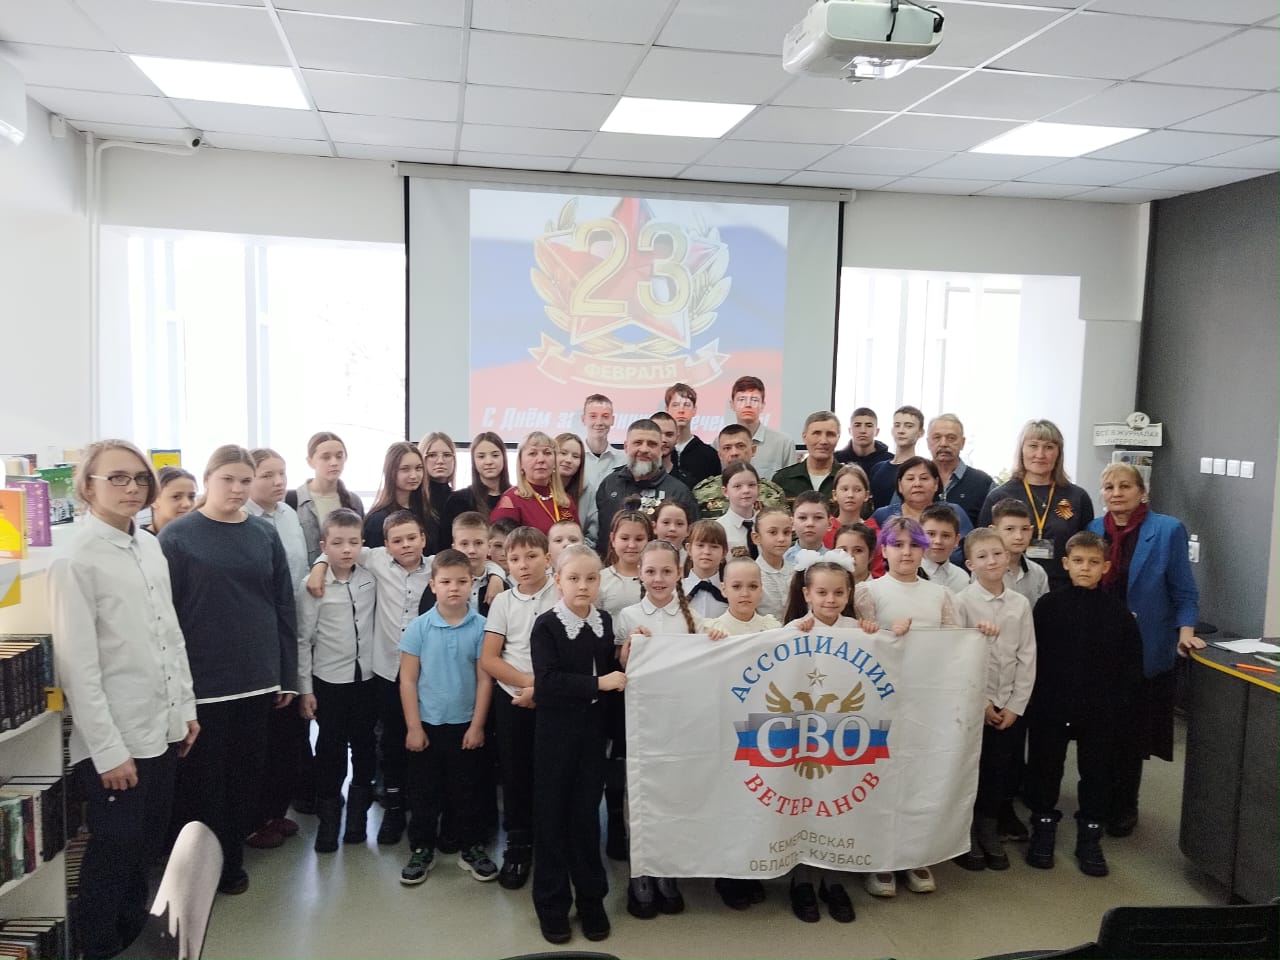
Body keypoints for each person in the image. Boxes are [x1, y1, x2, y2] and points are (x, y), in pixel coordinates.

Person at [49, 440, 199, 960]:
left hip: (162, 725)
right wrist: (108, 750)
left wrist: (185, 709)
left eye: (139, 478)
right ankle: (97, 948)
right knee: (113, 856)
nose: (131, 487)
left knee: (145, 851)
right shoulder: (75, 558)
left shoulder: (150, 545)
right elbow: (77, 666)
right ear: (87, 486)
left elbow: (170, 636)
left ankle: (134, 941)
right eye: (116, 477)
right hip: (116, 740)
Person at [160, 444, 297, 896]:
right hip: (203, 684)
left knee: (245, 778)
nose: (237, 489)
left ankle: (231, 860)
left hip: (257, 680)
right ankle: (200, 870)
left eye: (244, 481)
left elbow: (283, 604)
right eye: (228, 480)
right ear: (208, 479)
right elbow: (165, 617)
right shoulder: (178, 536)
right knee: (204, 784)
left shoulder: (263, 534)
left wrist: (287, 675)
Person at [304, 509, 432, 847]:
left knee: (378, 746)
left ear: (424, 539)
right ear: (384, 545)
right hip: (361, 676)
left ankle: (375, 819)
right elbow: (335, 548)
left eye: (412, 538)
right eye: (397, 540)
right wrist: (319, 566)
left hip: (405, 675)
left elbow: (471, 565)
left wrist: (495, 574)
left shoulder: (430, 568)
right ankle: (339, 821)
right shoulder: (372, 562)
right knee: (348, 746)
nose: (406, 545)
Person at [1087, 462, 1202, 837]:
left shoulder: (1167, 529)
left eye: (1125, 486)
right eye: (1109, 487)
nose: (1117, 493)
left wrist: (1186, 631)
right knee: (1099, 729)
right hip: (1101, 647)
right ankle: (1096, 801)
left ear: (1142, 492)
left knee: (1130, 732)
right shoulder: (1093, 530)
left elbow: (1184, 590)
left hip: (1144, 645)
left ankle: (1125, 805)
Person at [1025, 531, 1143, 878]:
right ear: (1066, 563)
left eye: (1093, 562)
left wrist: (1119, 709)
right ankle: (1043, 827)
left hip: (1099, 710)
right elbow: (1032, 657)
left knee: (1097, 772)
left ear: (1106, 567)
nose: (1085, 568)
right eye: (1078, 561)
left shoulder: (1119, 615)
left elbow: (1130, 668)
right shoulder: (1047, 607)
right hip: (1052, 705)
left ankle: (1090, 835)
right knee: (1046, 767)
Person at [854, 516, 957, 898]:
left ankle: (916, 853)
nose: (906, 552)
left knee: (919, 777)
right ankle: (880, 857)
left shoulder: (940, 595)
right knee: (880, 778)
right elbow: (860, 646)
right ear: (884, 549)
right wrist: (883, 633)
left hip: (925, 701)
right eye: (897, 545)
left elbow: (954, 648)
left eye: (914, 545)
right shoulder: (868, 591)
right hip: (880, 701)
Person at [530, 545, 625, 945]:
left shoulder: (604, 621)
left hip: (592, 734)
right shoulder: (547, 626)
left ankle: (591, 900)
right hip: (555, 735)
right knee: (551, 818)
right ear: (557, 581)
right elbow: (547, 682)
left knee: (586, 817)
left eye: (591, 578)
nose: (583, 585)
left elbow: (612, 671)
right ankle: (552, 904)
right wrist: (598, 683)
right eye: (573, 578)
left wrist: (627, 655)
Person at [781, 550, 876, 923]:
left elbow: (887, 658)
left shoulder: (858, 630)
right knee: (805, 802)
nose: (830, 600)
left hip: (843, 736)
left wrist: (887, 633)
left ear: (849, 594)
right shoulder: (793, 629)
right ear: (807, 593)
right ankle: (802, 880)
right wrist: (791, 634)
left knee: (837, 802)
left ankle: (833, 880)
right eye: (822, 593)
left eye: (838, 593)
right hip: (803, 736)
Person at [614, 539, 704, 919]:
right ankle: (641, 872)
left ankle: (667, 869)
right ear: (639, 573)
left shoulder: (693, 617)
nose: (658, 578)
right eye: (650, 571)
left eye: (667, 571)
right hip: (641, 722)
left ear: (679, 573)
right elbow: (620, 665)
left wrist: (715, 639)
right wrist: (628, 647)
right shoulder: (627, 615)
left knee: (674, 795)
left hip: (680, 722)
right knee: (639, 794)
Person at [397, 549, 498, 886]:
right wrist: (413, 726)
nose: (454, 588)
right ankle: (422, 848)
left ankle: (471, 847)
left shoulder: (483, 628)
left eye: (461, 581)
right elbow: (408, 680)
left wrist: (477, 725)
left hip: (466, 726)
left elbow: (484, 679)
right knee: (424, 792)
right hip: (427, 725)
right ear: (433, 585)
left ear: (472, 584)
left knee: (468, 791)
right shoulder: (419, 628)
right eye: (445, 582)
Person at [480, 526, 559, 890]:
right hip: (512, 698)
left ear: (548, 558)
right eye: (514, 559)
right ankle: (518, 842)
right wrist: (530, 683)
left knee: (551, 771)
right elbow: (490, 658)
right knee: (515, 772)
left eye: (531, 556)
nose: (523, 565)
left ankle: (551, 841)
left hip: (555, 699)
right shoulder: (503, 602)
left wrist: (544, 688)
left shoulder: (561, 593)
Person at [951, 529, 1035, 873]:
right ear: (970, 564)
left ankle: (988, 824)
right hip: (975, 706)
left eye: (997, 554)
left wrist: (1015, 705)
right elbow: (958, 658)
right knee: (971, 769)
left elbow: (1027, 656)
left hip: (1008, 705)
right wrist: (983, 703)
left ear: (1008, 556)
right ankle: (966, 829)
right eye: (982, 556)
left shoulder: (1020, 604)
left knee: (999, 770)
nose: (991, 561)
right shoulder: (961, 603)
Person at [295, 508, 376, 853]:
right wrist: (305, 690)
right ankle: (328, 822)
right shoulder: (313, 585)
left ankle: (358, 819)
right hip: (329, 681)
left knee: (365, 748)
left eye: (353, 542)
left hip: (367, 680)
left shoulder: (370, 573)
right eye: (338, 543)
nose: (346, 549)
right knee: (330, 750)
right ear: (323, 546)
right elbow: (303, 639)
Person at [245, 448, 313, 845]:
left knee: (291, 732)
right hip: (261, 635)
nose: (278, 481)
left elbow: (302, 572)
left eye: (282, 473)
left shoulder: (288, 514)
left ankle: (276, 811)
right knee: (264, 737)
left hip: (294, 629)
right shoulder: (242, 519)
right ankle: (255, 819)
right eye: (267, 475)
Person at [978, 419, 1095, 589]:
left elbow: (1087, 547)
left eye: (1049, 447)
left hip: (1063, 587)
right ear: (1021, 450)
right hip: (1010, 585)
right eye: (1033, 446)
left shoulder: (1076, 497)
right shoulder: (1000, 496)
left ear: (1058, 453)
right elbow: (982, 546)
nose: (1040, 454)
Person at [589, 419, 697, 556]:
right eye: (638, 443)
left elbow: (690, 541)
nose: (644, 449)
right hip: (611, 567)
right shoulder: (609, 484)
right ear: (626, 447)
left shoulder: (678, 492)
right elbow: (598, 536)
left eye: (652, 444)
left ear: (661, 450)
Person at [870, 457, 973, 563]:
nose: (917, 484)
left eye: (924, 478)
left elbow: (972, 551)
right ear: (900, 485)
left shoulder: (954, 512)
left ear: (936, 483)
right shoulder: (882, 515)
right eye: (910, 479)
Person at [287, 431, 365, 564]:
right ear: (310, 461)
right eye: (326, 457)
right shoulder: (292, 500)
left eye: (339, 456)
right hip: (307, 575)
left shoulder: (353, 501)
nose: (334, 462)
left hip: (345, 575)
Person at [491, 431, 579, 535]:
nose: (541, 459)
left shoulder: (566, 500)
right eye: (532, 453)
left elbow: (577, 539)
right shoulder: (511, 500)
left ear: (555, 462)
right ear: (521, 463)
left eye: (547, 453)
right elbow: (498, 541)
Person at [692, 423, 785, 520]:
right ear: (720, 454)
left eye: (740, 446)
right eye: (727, 448)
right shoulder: (702, 493)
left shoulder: (773, 493)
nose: (734, 453)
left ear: (753, 450)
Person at [419, 512, 505, 616]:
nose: (472, 550)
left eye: (478, 543)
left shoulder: (501, 586)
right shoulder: (441, 584)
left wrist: (497, 577)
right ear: (454, 547)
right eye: (464, 544)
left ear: (489, 547)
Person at [364, 441, 439, 552]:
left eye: (418, 468)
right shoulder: (377, 520)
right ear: (390, 471)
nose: (414, 475)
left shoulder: (428, 514)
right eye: (405, 469)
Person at [926, 414, 993, 528]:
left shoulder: (983, 483)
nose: (943, 443)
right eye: (937, 437)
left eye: (951, 438)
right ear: (928, 442)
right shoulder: (915, 480)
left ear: (962, 443)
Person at [771, 410, 842, 511]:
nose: (823, 441)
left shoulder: (849, 479)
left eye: (830, 434)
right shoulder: (782, 479)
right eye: (816, 433)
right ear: (804, 437)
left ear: (838, 438)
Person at [728, 375, 795, 478]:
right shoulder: (720, 442)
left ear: (763, 405)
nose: (748, 404)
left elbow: (790, 481)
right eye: (741, 399)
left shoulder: (783, 443)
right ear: (732, 404)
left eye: (754, 400)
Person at [579, 395, 624, 543]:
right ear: (583, 419)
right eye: (593, 416)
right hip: (578, 538)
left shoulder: (624, 460)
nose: (599, 422)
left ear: (613, 420)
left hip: (614, 539)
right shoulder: (573, 459)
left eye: (605, 416)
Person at [991, 498, 1050, 607]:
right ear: (994, 531)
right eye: (1009, 529)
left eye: (1025, 529)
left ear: (1031, 531)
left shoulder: (1038, 572)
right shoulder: (984, 571)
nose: (1019, 536)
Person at [445, 432, 509, 531]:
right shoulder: (459, 500)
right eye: (481, 456)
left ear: (504, 458)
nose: (489, 462)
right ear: (473, 461)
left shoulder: (515, 497)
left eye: (495, 455)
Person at [704, 555, 781, 637]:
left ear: (761, 589)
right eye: (736, 586)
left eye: (753, 586)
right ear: (724, 589)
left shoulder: (772, 628)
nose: (745, 594)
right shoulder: (713, 630)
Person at [868, 406, 925, 509]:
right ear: (892, 430)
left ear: (920, 432)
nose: (901, 431)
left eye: (909, 426)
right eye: (897, 425)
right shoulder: (878, 468)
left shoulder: (922, 470)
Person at [664, 382, 720, 488]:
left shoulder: (709, 454)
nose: (681, 410)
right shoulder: (660, 452)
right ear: (667, 409)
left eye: (687, 405)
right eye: (675, 405)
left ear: (694, 410)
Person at [598, 510, 650, 619]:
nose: (632, 545)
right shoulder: (600, 579)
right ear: (613, 539)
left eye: (639, 539)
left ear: (648, 540)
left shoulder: (656, 579)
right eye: (625, 538)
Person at [752, 505, 794, 621]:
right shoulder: (751, 575)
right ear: (756, 538)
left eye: (786, 532)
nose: (781, 538)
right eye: (773, 532)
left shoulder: (797, 573)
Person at [919, 502, 971, 593]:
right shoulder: (908, 576)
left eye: (946, 535)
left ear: (956, 540)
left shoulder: (962, 578)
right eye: (931, 534)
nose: (938, 541)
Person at [683, 519, 729, 620]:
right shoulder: (675, 590)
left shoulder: (731, 591)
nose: (707, 551)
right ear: (689, 549)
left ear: (724, 552)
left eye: (714, 546)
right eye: (700, 545)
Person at [715, 461, 762, 557]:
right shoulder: (718, 529)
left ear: (758, 488)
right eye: (737, 486)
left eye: (751, 485)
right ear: (725, 491)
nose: (746, 490)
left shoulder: (767, 525)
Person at [835, 407, 892, 473]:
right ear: (850, 430)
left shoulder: (890, 461)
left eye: (869, 426)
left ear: (877, 431)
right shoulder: (836, 460)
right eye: (857, 425)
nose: (863, 431)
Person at [142, 465, 196, 535]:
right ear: (153, 500)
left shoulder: (198, 536)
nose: (187, 504)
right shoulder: (140, 540)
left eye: (191, 497)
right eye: (176, 497)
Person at [784, 491, 829, 565]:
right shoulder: (781, 559)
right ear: (792, 523)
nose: (810, 523)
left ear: (829, 523)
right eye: (802, 517)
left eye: (818, 517)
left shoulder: (835, 561)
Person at [418, 431, 458, 506]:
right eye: (432, 455)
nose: (440, 461)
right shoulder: (411, 499)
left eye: (447, 455)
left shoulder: (462, 500)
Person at [554, 432, 585, 504]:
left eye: (575, 456)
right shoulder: (538, 487)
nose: (568, 460)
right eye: (563, 453)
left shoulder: (586, 490)